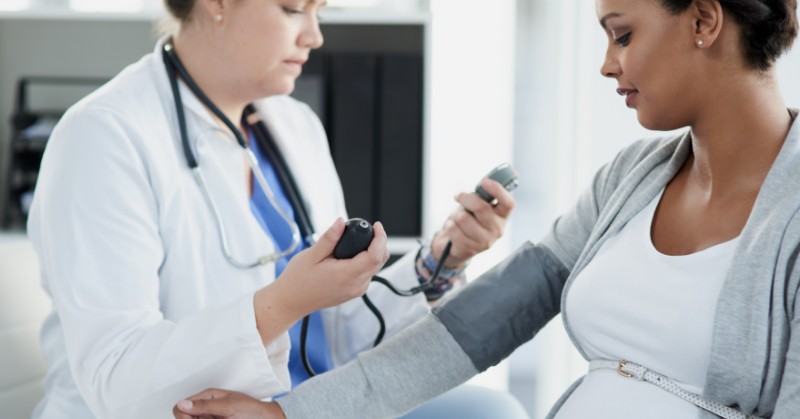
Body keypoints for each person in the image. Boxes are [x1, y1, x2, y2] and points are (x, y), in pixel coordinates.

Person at [172, 0, 800, 418]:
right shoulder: (630, 180)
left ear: (705, 20)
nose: (607, 65)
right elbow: (473, 327)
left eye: (622, 34)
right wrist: (290, 414)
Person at [25, 0, 524, 417]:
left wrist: (439, 261)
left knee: (494, 411)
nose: (313, 36)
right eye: (292, 9)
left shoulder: (295, 126)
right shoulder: (104, 137)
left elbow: (338, 333)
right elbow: (118, 380)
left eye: (319, 12)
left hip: (303, 405)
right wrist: (283, 302)